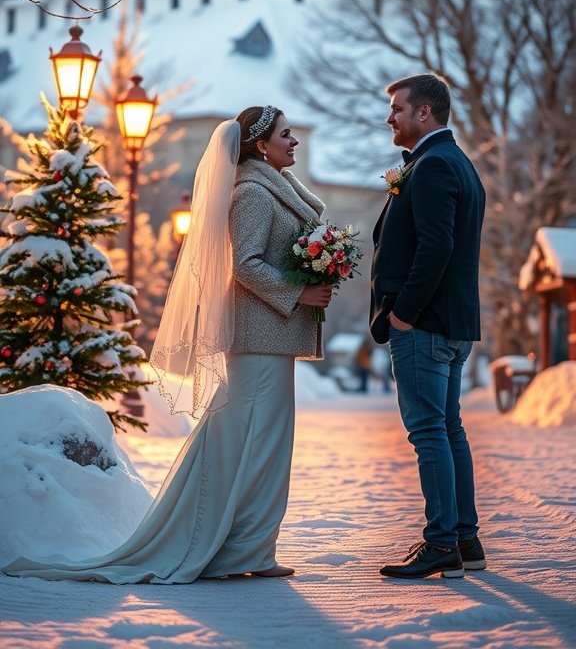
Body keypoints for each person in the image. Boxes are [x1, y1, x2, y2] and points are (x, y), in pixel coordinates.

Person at [3, 106, 332, 584]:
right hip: (260, 338)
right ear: (261, 145)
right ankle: (242, 550)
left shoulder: (273, 190)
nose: (295, 141)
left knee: (258, 445)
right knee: (255, 445)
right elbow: (246, 266)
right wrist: (299, 290)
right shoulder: (254, 194)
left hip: (273, 338)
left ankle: (248, 546)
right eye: (287, 134)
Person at [370, 74, 486, 579]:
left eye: (398, 108)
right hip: (451, 323)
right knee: (448, 428)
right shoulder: (454, 161)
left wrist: (403, 313)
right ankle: (466, 541)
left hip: (427, 324)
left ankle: (441, 543)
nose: (390, 117)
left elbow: (436, 247)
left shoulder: (435, 165)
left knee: (428, 432)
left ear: (425, 113)